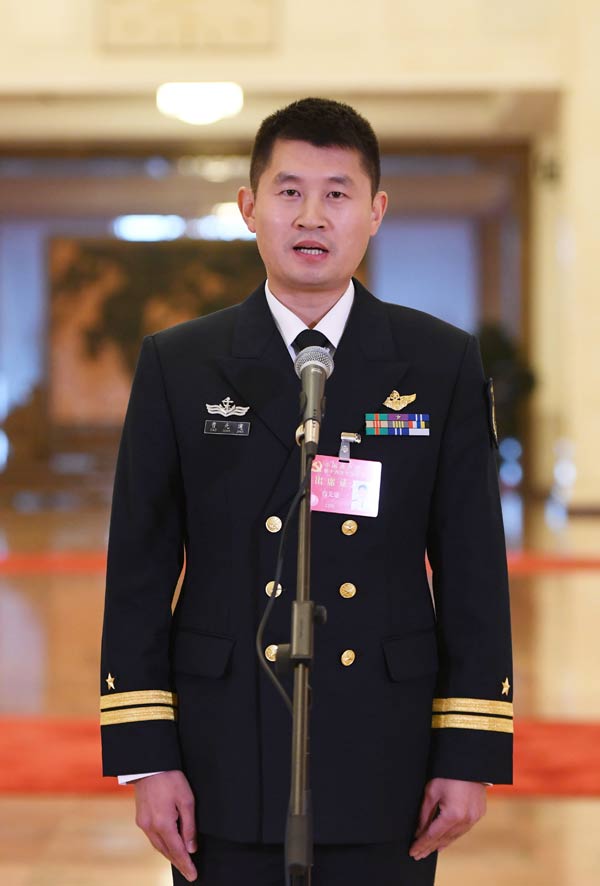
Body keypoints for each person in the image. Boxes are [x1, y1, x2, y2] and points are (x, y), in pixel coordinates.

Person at [100, 97, 513, 886]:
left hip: (386, 747)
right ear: (250, 208)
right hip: (223, 744)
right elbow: (140, 572)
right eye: (289, 192)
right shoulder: (180, 365)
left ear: (375, 211)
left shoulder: (437, 364)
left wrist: (470, 750)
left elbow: (472, 570)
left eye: (337, 192)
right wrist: (146, 757)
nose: (312, 215)